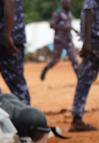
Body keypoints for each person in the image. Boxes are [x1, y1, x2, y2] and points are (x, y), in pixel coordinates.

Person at [69, 0, 99, 131]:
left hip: (94, 39)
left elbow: (89, 11)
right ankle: (77, 118)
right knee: (85, 78)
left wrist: (87, 41)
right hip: (95, 39)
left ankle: (77, 118)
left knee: (85, 78)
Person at [41, 0, 80, 81]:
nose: (70, 5)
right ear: (63, 3)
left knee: (74, 59)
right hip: (59, 40)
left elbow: (68, 25)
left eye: (70, 3)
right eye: (68, 3)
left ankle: (80, 79)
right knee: (55, 59)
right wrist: (63, 29)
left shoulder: (69, 13)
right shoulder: (57, 13)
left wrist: (73, 29)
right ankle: (46, 69)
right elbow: (51, 25)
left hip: (68, 39)